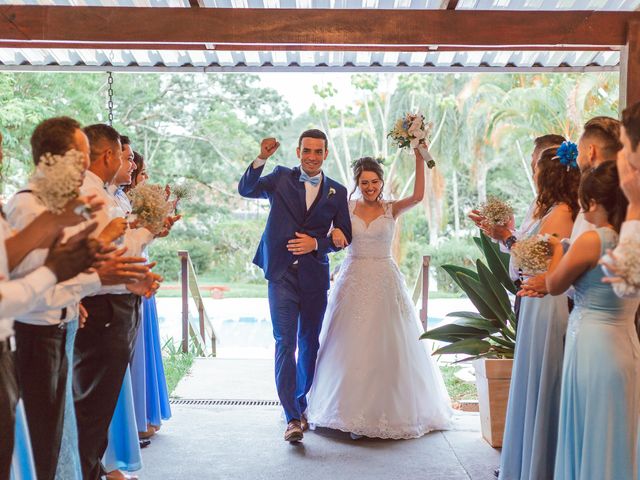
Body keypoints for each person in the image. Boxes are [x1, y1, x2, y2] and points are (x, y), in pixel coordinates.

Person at [307, 150, 452, 439]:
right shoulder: (345, 207)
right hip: (354, 276)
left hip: (385, 278)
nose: (370, 187)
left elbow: (420, 196)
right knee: (350, 343)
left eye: (375, 182)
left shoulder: (391, 208)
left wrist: (418, 155)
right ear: (357, 183)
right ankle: (347, 412)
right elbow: (332, 231)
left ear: (381, 183)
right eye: (364, 183)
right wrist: (333, 234)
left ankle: (388, 412)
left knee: (388, 344)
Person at [238, 130, 352, 442]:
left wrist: (318, 242)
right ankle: (291, 417)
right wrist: (261, 157)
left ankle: (301, 403)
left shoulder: (337, 192)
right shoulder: (279, 178)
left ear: (326, 154)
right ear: (298, 151)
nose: (312, 156)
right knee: (284, 343)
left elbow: (344, 235)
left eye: (318, 151)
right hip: (281, 274)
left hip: (314, 277)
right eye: (307, 151)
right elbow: (246, 189)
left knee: (309, 343)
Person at [546, 161, 638, 479]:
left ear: (594, 203)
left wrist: (558, 247)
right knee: (619, 433)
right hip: (627, 345)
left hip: (593, 348)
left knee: (591, 426)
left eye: (585, 205)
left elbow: (553, 284)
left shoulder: (593, 240)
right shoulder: (631, 241)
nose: (583, 212)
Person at [498, 146, 580, 480]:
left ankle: (540, 465)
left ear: (547, 176)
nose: (533, 175)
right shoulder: (550, 212)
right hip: (534, 302)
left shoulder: (561, 213)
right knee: (531, 380)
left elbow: (542, 263)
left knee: (543, 381)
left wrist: (506, 237)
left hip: (547, 306)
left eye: (536, 170)